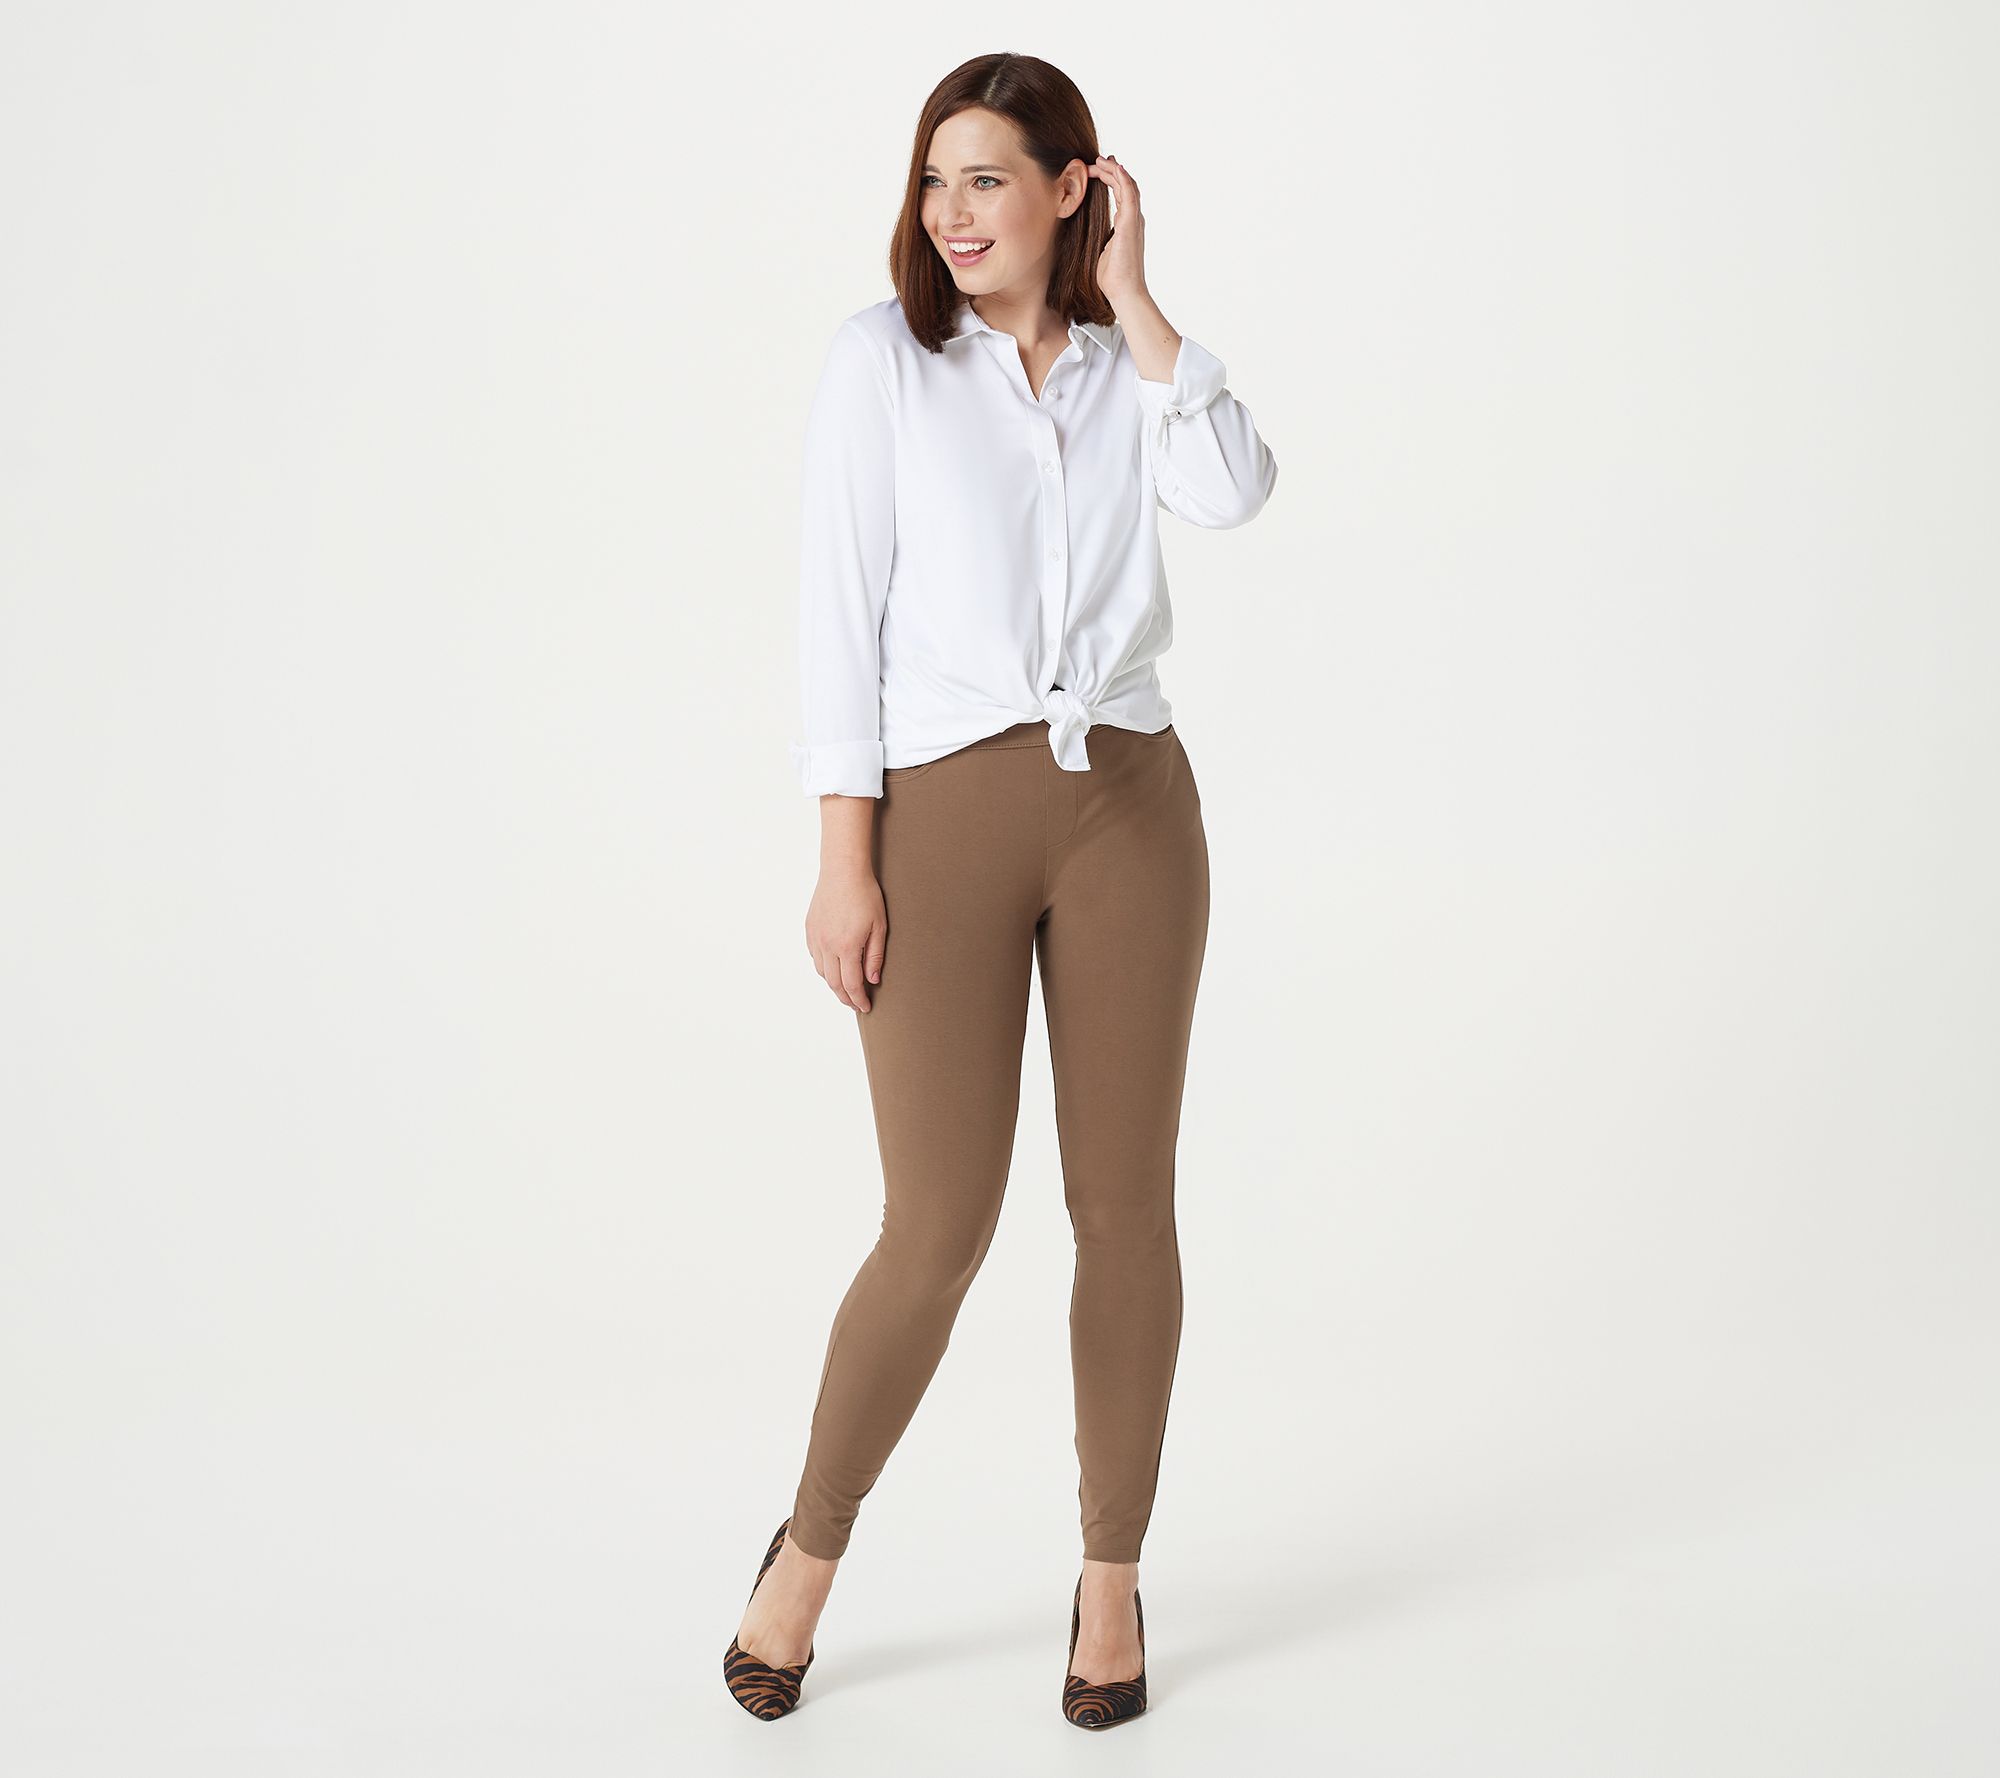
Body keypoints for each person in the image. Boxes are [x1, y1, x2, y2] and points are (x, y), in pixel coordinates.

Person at [724, 52, 1277, 1728]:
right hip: (941, 820)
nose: (952, 213)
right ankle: (809, 1546)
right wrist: (845, 860)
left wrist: (1142, 300)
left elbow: (1235, 488)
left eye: (988, 179)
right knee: (937, 1225)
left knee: (1125, 1209)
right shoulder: (882, 362)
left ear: (1070, 187)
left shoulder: (1125, 368)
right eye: (934, 179)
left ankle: (1110, 1576)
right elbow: (839, 617)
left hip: (1128, 811)